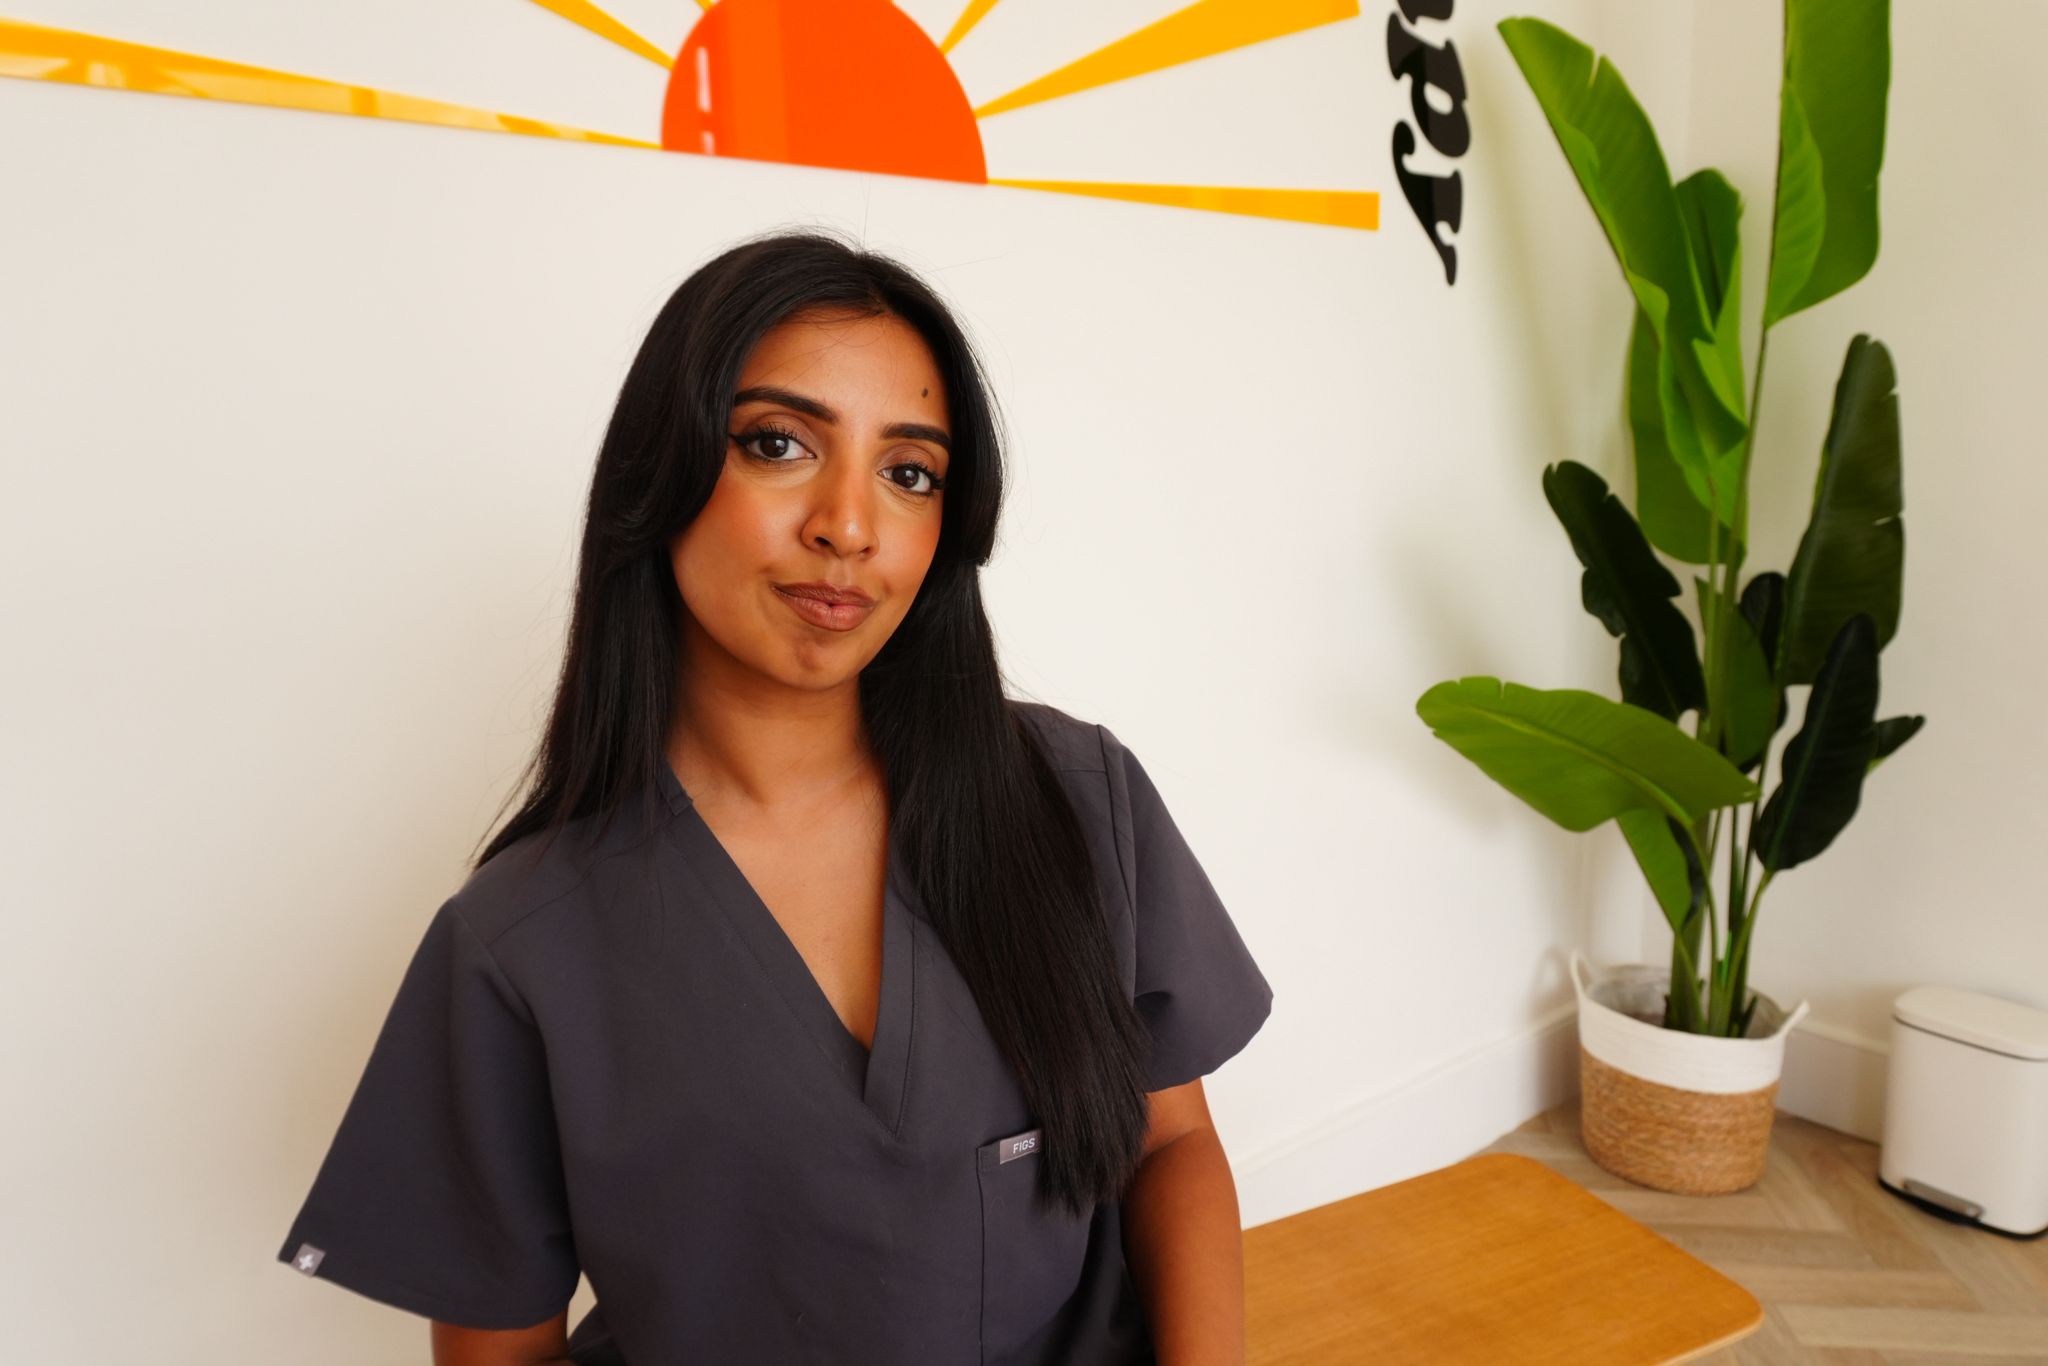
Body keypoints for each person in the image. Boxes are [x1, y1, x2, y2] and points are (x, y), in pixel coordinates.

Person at [275, 227, 1275, 1365]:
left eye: (909, 472)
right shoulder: (519, 947)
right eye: (778, 444)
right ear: (660, 475)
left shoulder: (1075, 797)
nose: (848, 526)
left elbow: (1167, 1142)